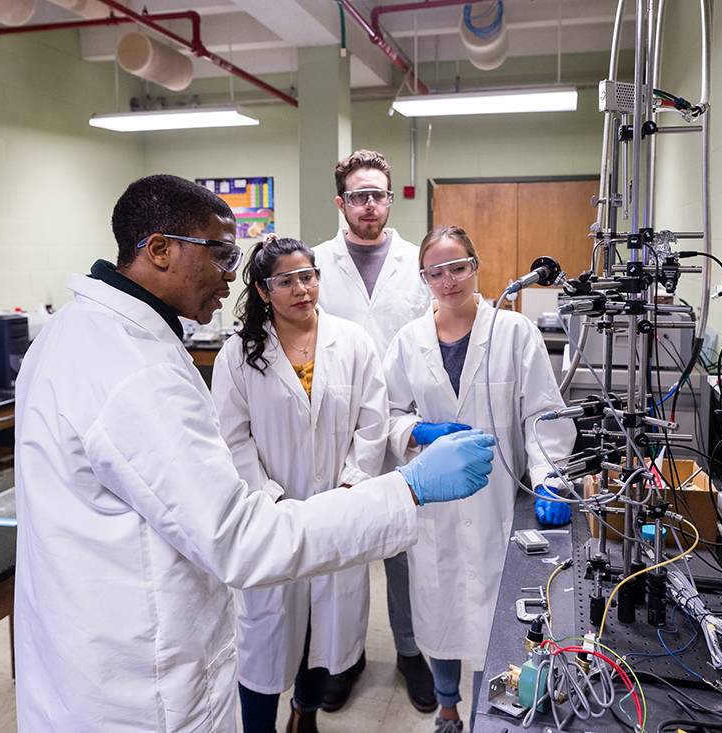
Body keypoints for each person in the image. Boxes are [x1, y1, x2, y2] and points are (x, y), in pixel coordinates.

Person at [12, 175, 496, 732]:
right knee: (266, 650)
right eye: (220, 253)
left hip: (90, 652)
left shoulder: (74, 332)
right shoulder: (136, 370)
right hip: (140, 685)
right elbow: (238, 534)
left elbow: (363, 422)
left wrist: (355, 481)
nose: (230, 273)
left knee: (323, 637)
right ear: (160, 249)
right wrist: (407, 488)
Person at [382, 226, 576, 733]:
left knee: (499, 622)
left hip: (498, 504)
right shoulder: (408, 341)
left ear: (476, 267)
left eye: (458, 267)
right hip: (436, 505)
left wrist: (549, 478)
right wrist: (418, 430)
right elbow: (387, 414)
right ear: (424, 278)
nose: (448, 280)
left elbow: (543, 414)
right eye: (436, 272)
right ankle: (447, 709)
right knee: (442, 613)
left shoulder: (514, 333)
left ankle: (489, 713)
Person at [210, 235, 390, 733]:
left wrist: (352, 485)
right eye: (286, 281)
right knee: (264, 638)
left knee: (323, 633)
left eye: (307, 276)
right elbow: (231, 438)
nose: (301, 289)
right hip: (270, 516)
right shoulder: (238, 354)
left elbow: (373, 423)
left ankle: (304, 716)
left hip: (337, 511)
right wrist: (268, 496)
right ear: (263, 291)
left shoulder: (352, 341)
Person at [314, 150, 438, 711]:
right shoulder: (316, 264)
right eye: (359, 195)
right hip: (335, 428)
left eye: (379, 195)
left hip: (404, 423)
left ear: (390, 199)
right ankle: (344, 658)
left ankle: (411, 653)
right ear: (341, 202)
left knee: (406, 548)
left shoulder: (418, 263)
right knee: (341, 549)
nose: (370, 205)